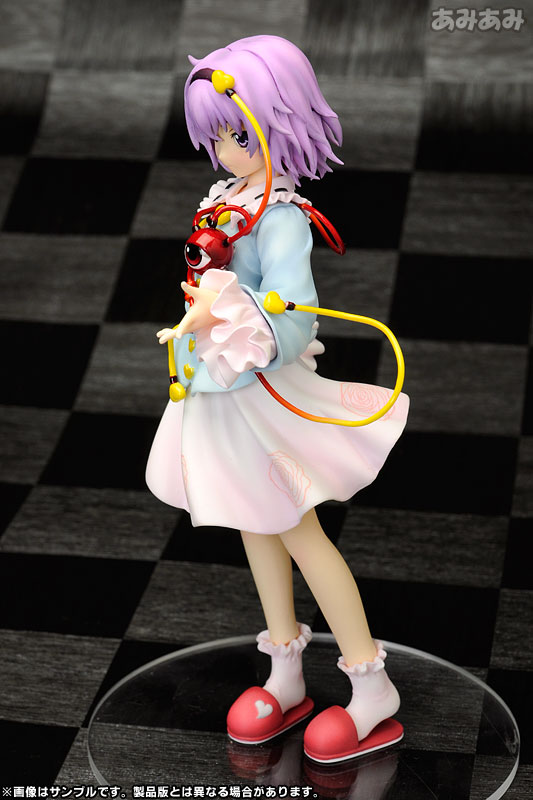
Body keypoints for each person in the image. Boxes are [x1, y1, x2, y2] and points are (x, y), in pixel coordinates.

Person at [146, 34, 409, 763]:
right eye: (217, 137)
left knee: (299, 531)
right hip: (217, 389)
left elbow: (294, 318)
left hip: (260, 388)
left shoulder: (282, 214)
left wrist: (225, 313)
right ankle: (286, 673)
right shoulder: (226, 200)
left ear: (279, 123)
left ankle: (372, 686)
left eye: (240, 135)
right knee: (252, 524)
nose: (226, 151)